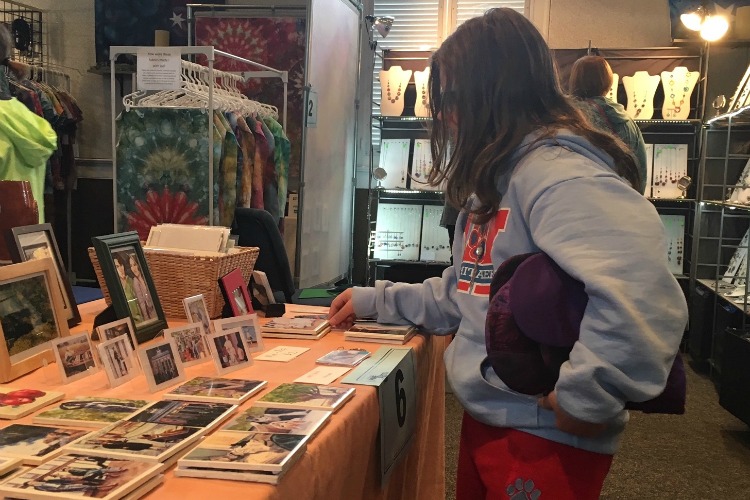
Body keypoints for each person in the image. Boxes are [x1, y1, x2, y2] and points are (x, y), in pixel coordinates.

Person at [329, 8, 686, 499]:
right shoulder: (495, 179)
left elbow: (644, 294)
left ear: (495, 94)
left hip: (542, 430)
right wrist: (378, 301)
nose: (445, 116)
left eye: (452, 99)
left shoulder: (559, 176)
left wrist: (587, 395)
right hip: (495, 414)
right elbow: (467, 292)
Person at [568, 55, 649, 194]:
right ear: (608, 81)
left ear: (574, 80)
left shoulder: (569, 119)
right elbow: (640, 171)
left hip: (581, 200)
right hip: (622, 200)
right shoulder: (626, 120)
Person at [114, 254, 143, 324]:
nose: (121, 269)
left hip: (140, 321)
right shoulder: (115, 286)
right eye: (117, 267)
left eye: (121, 265)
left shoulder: (131, 281)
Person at [128, 254, 156, 321]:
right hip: (151, 314)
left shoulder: (146, 276)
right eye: (131, 266)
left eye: (134, 264)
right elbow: (141, 302)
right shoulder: (135, 281)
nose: (133, 268)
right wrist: (146, 318)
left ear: (139, 264)